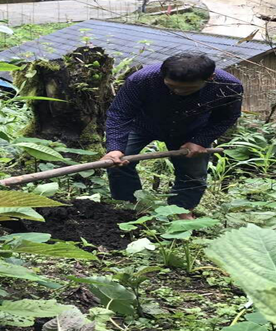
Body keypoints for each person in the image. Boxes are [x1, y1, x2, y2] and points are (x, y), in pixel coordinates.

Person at [102, 53, 243, 216]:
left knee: (193, 175)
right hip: (143, 124)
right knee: (117, 163)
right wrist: (114, 148)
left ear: (210, 78)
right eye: (171, 86)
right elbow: (120, 113)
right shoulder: (142, 79)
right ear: (163, 75)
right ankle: (131, 207)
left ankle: (181, 211)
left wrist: (200, 141)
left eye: (187, 88)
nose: (177, 91)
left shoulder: (229, 85)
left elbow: (227, 117)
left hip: (192, 130)